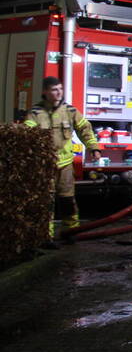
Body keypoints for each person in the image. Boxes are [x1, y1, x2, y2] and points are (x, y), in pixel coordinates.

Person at [23, 76, 102, 247]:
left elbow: (84, 129)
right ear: (45, 91)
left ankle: (70, 232)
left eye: (60, 88)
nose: (59, 92)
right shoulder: (35, 113)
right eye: (54, 89)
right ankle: (46, 237)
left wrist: (94, 147)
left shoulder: (70, 111)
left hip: (65, 164)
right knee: (47, 201)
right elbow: (27, 134)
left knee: (68, 200)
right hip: (45, 165)